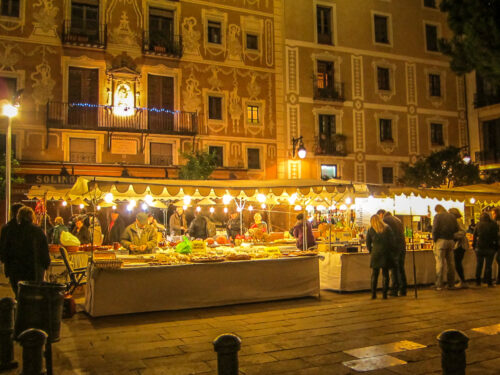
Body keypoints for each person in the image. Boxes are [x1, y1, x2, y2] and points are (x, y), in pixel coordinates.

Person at [3, 206, 50, 297]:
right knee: (32, 296)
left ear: (19, 217)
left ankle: (20, 310)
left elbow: (6, 250)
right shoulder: (38, 231)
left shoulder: (12, 232)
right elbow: (44, 251)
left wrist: (7, 269)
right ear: (32, 217)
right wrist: (46, 264)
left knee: (19, 295)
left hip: (15, 270)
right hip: (33, 270)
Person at [366, 214, 395, 300]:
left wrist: (372, 251)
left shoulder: (370, 230)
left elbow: (368, 243)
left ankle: (373, 294)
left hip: (375, 254)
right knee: (385, 274)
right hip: (386, 253)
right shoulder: (387, 228)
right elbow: (392, 241)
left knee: (374, 274)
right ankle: (384, 294)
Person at [378, 210, 406, 297]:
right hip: (402, 246)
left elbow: (384, 234)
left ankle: (394, 289)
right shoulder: (398, 220)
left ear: (381, 214)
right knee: (401, 268)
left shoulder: (385, 220)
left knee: (394, 268)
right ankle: (403, 289)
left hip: (394, 247)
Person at [432, 205, 459, 290]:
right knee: (451, 263)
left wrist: (434, 239)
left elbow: (435, 229)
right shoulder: (452, 216)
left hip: (441, 241)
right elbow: (456, 229)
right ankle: (451, 284)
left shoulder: (437, 216)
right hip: (450, 241)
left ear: (438, 210)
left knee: (440, 263)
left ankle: (439, 284)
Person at [473, 212, 499, 287]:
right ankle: (489, 282)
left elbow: (474, 235)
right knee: (488, 266)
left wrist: (474, 246)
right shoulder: (493, 224)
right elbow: (496, 237)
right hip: (490, 248)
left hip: (479, 248)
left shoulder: (478, 224)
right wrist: (496, 247)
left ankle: (478, 281)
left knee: (479, 265)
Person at [0, 203, 24, 277]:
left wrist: (3, 258)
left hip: (10, 262)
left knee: (15, 284)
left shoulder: (6, 228)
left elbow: (2, 245)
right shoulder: (26, 228)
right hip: (24, 263)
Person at [448, 208, 469, 288]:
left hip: (460, 245)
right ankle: (462, 280)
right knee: (457, 263)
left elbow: (463, 232)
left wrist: (453, 236)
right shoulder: (457, 221)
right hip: (459, 244)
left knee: (457, 263)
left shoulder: (458, 221)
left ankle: (463, 281)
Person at [491, 207, 500, 285]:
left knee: (498, 259)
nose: (492, 215)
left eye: (493, 214)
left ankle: (498, 279)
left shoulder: (496, 223)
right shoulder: (495, 222)